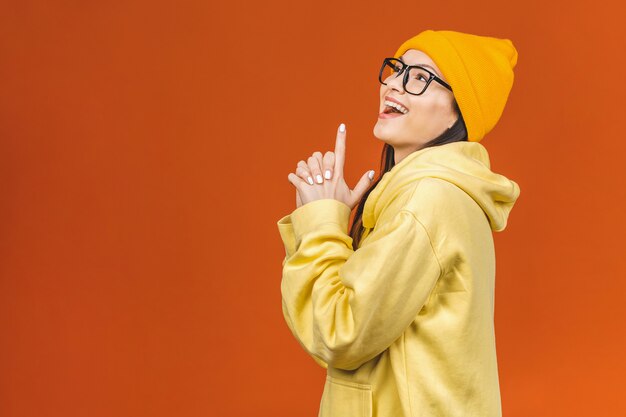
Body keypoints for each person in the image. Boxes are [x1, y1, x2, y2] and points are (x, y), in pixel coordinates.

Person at [276, 29, 521, 417]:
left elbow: (341, 332)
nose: (393, 85)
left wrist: (322, 225)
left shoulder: (427, 202)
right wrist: (334, 221)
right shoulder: (436, 194)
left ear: (461, 110)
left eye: (421, 78)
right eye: (396, 69)